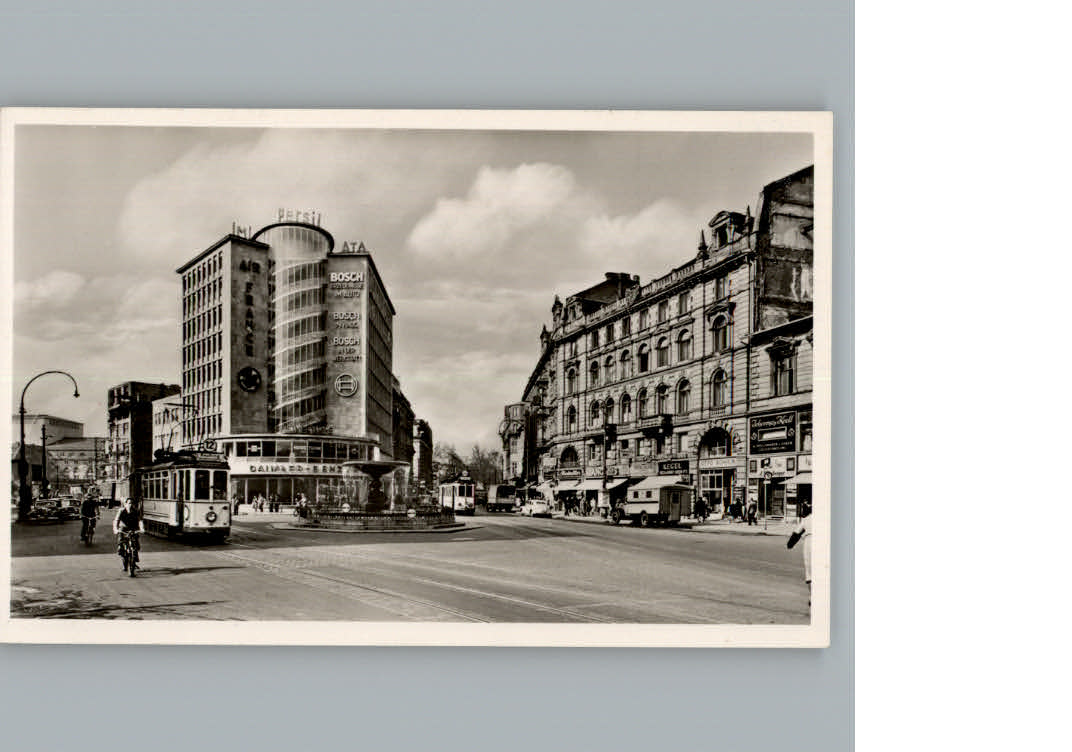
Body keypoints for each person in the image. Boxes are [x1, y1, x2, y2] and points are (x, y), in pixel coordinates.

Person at [787, 501, 813, 605]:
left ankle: (812, 596)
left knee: (810, 570)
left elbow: (796, 533)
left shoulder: (807, 519)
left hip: (810, 542)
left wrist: (790, 544)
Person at [112, 497, 144, 573]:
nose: (130, 505)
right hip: (123, 529)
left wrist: (142, 528)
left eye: (131, 503)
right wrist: (115, 529)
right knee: (121, 545)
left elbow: (140, 520)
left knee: (136, 545)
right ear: (125, 504)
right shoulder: (121, 511)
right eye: (128, 503)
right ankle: (123, 557)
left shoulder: (136, 511)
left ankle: (134, 560)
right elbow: (116, 520)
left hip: (133, 529)